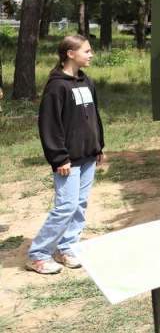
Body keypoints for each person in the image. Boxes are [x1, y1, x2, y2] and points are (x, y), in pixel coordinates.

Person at [26, 35, 104, 274]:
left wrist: (98, 146)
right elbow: (49, 125)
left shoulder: (86, 81)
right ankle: (38, 254)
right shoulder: (57, 86)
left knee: (79, 205)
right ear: (70, 54)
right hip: (68, 160)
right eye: (87, 51)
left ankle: (66, 247)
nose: (91, 55)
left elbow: (94, 117)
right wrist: (59, 157)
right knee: (66, 206)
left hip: (88, 156)